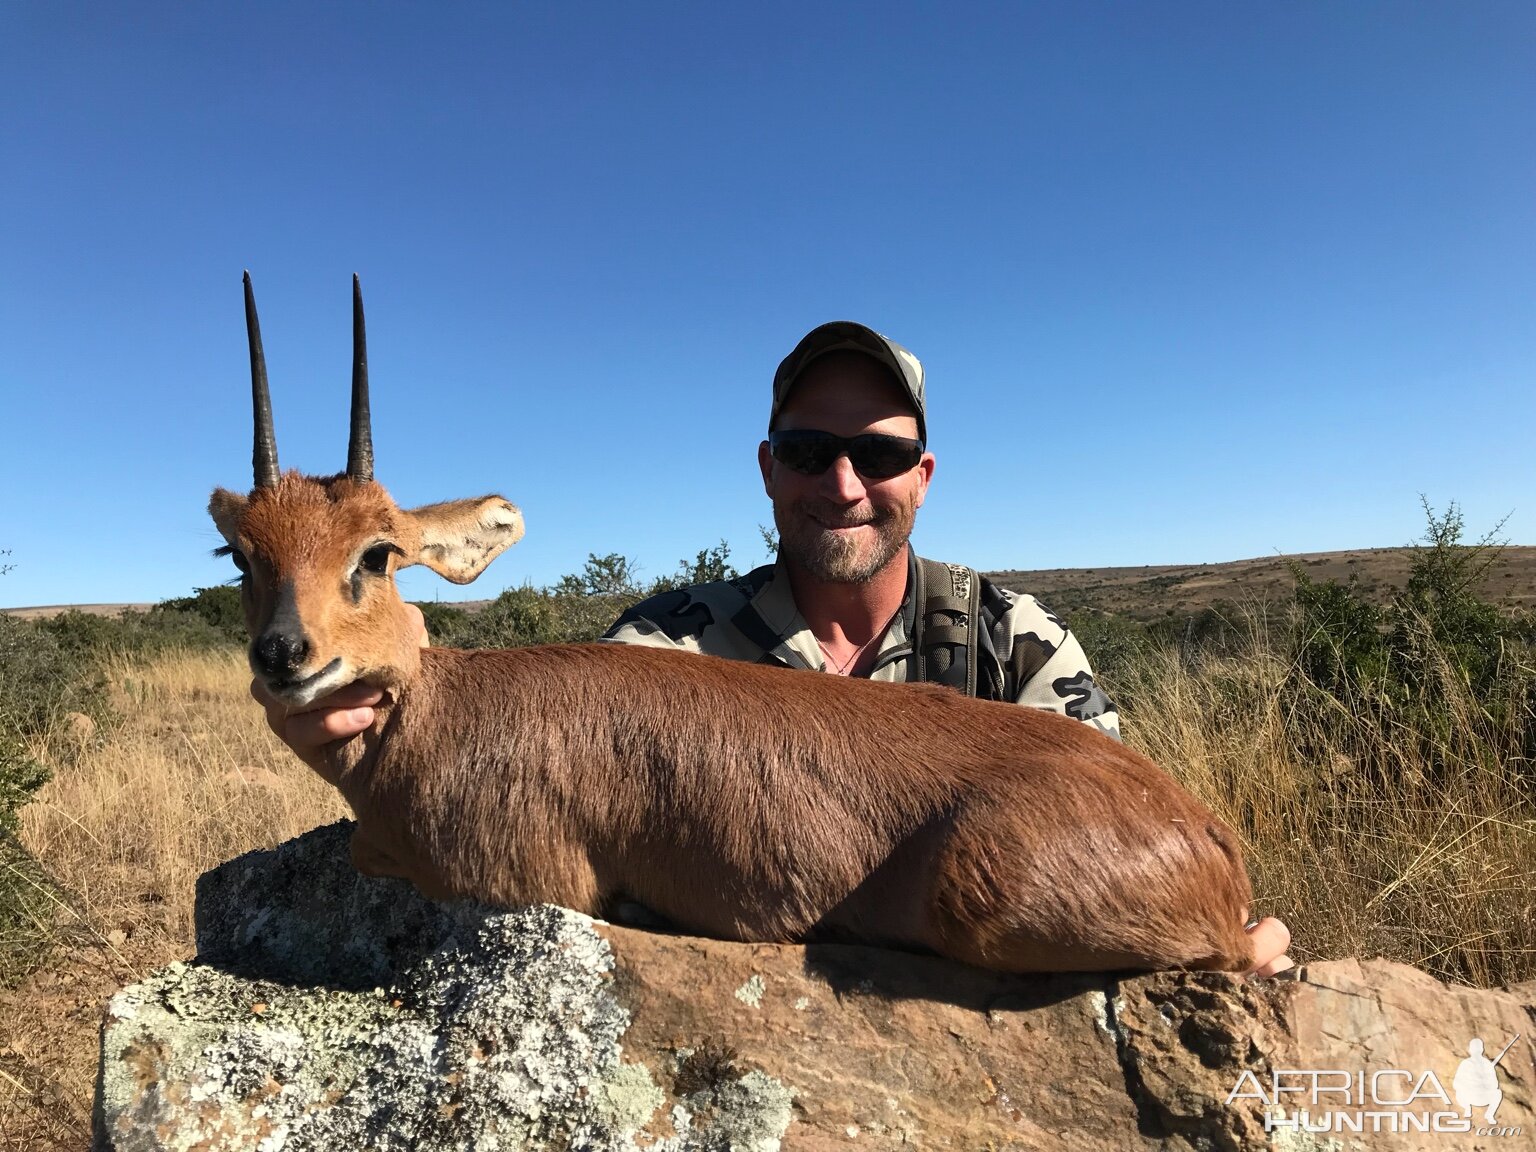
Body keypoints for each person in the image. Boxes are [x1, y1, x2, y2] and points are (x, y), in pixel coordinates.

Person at [257, 319, 1292, 976]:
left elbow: (1130, 813)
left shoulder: (1012, 639)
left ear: (923, 475)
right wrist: (366, 750)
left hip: (1046, 867)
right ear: (768, 467)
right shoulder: (667, 643)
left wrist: (1221, 942)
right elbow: (527, 800)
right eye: (809, 451)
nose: (842, 481)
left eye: (878, 454)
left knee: (994, 896)